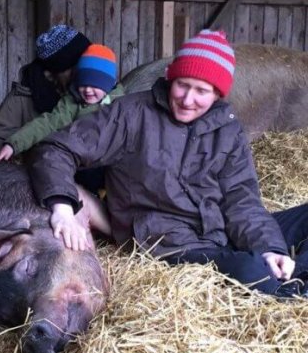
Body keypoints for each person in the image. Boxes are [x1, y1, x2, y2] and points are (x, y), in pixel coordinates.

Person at [27, 29, 308, 297]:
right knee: (254, 272)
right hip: (170, 243)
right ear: (168, 77)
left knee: (276, 248)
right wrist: (63, 207)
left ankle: (290, 275)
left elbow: (241, 200)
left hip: (221, 230)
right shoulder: (130, 114)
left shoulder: (227, 127)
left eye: (202, 91)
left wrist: (270, 247)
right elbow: (54, 148)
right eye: (182, 85)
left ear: (218, 94)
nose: (188, 99)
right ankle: (288, 284)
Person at [0, 24, 92, 162]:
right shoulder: (24, 96)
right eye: (77, 67)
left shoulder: (98, 88)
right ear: (52, 73)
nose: (87, 72)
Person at [0, 44, 123, 163]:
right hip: (83, 159)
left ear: (107, 85)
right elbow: (47, 123)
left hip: (112, 158)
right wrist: (14, 144)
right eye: (83, 84)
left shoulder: (122, 102)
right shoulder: (72, 104)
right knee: (48, 161)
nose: (88, 90)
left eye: (94, 84)